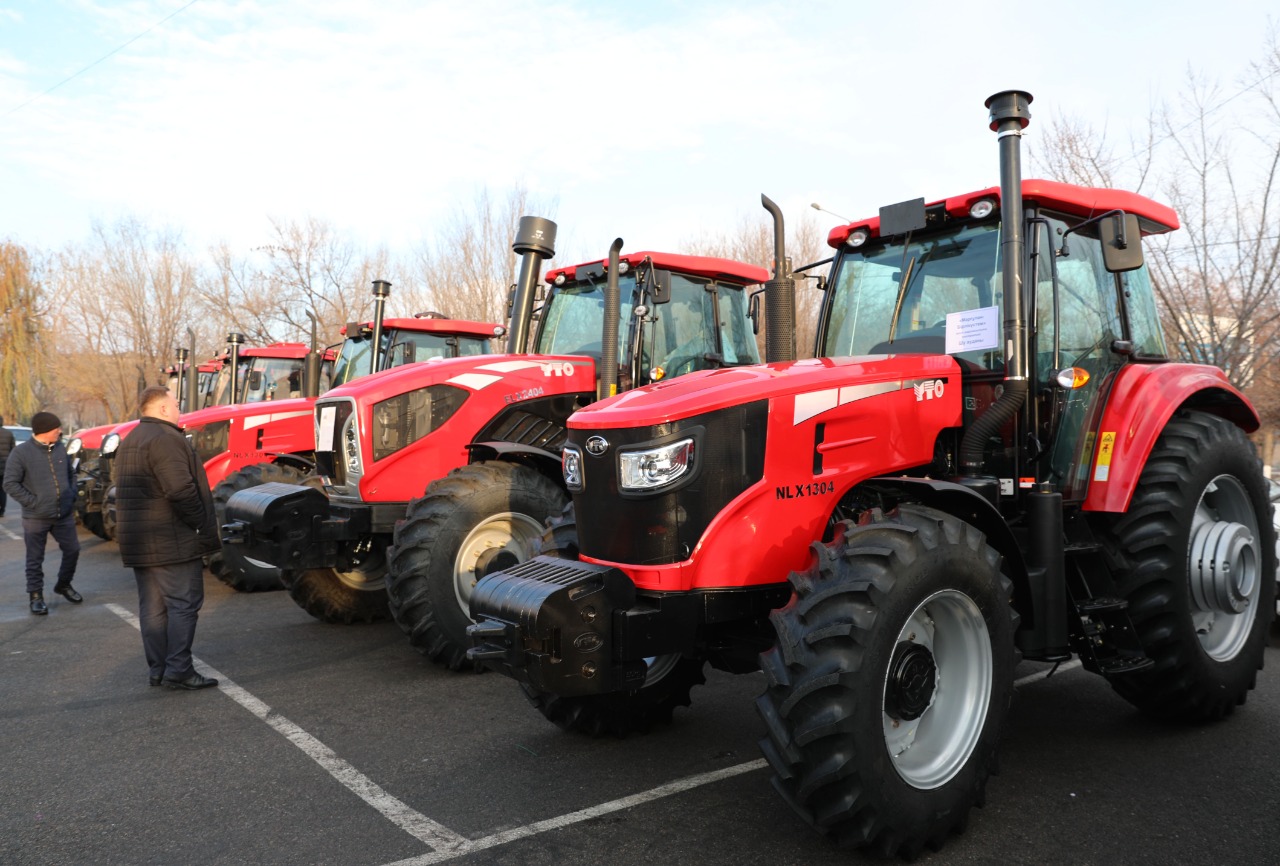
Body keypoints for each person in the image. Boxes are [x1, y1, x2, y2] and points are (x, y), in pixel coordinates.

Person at [115, 386, 220, 691]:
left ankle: (158, 669)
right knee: (183, 604)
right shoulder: (166, 439)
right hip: (170, 540)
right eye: (176, 404)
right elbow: (179, 490)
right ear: (162, 409)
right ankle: (179, 669)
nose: (179, 410)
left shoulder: (132, 438)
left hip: (142, 540)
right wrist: (200, 524)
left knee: (153, 607)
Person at [2, 411, 81, 615]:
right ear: (45, 431)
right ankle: (36, 596)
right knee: (35, 558)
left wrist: (71, 494)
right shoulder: (21, 453)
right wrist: (33, 503)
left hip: (63, 514)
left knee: (73, 550)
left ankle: (63, 584)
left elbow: (71, 474)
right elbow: (10, 483)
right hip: (36, 516)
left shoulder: (60, 448)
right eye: (57, 428)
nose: (60, 431)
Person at [0, 414, 15, 517]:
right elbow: (13, 451)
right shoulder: (8, 433)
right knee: (2, 490)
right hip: (4, 466)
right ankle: (2, 511)